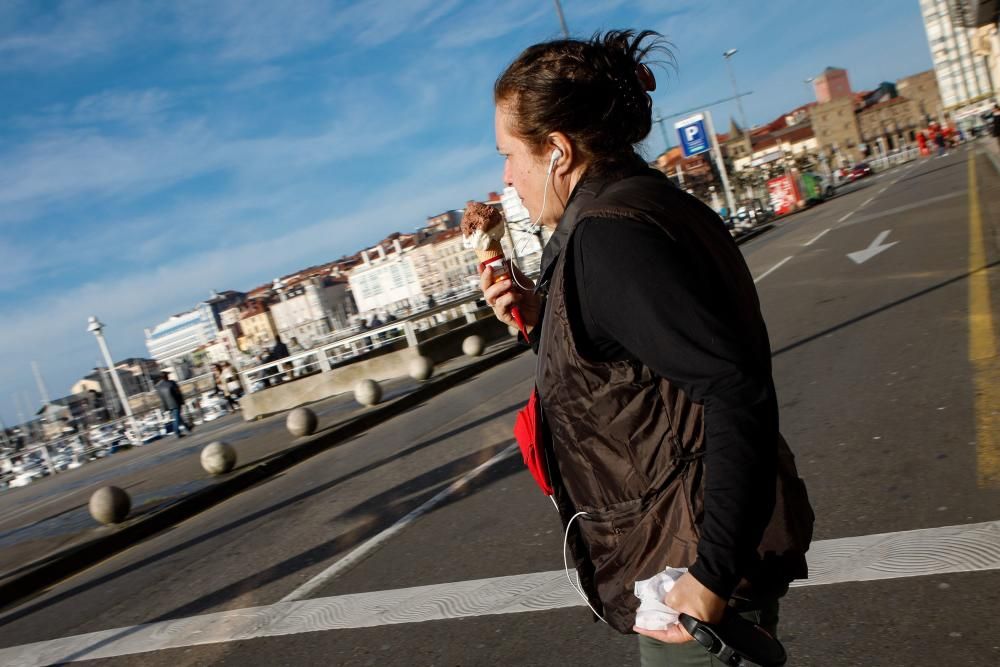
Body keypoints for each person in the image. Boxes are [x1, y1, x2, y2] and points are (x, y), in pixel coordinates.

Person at [481, 31, 814, 664]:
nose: (505, 177)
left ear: (556, 151)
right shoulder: (643, 204)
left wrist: (711, 575)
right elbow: (629, 374)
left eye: (508, 154)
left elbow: (732, 388)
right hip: (679, 543)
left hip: (684, 562)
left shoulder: (608, 238)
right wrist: (539, 318)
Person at [154, 372, 193, 438]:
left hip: (168, 405)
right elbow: (178, 393)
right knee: (177, 418)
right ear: (166, 376)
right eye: (167, 375)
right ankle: (177, 432)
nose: (168, 376)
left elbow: (161, 398)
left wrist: (165, 407)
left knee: (178, 417)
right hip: (176, 403)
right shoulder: (172, 383)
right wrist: (182, 401)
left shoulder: (159, 386)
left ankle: (187, 427)